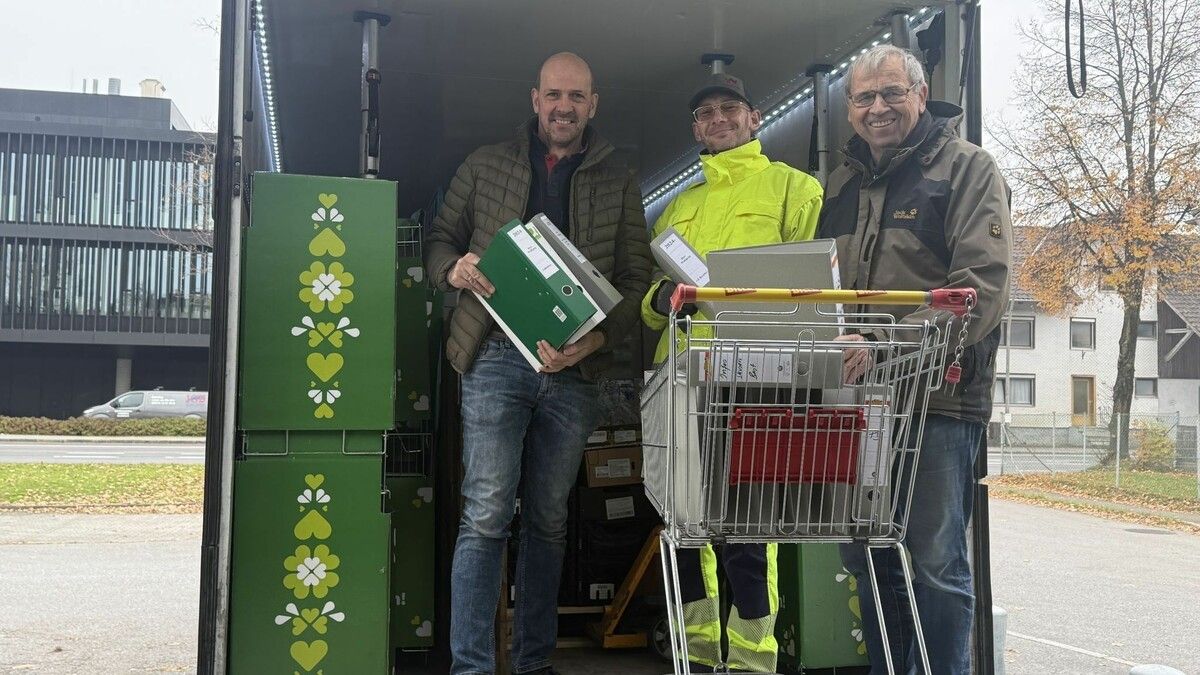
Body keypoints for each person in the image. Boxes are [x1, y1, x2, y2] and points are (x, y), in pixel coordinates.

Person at [424, 52, 652, 675]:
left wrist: (596, 344)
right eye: (554, 94)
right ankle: (471, 666)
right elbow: (439, 240)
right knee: (487, 514)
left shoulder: (619, 179)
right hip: (495, 357)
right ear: (533, 98)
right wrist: (453, 269)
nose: (564, 107)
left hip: (574, 370)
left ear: (593, 104)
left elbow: (637, 280)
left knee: (549, 520)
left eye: (576, 96)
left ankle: (533, 663)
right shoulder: (485, 164)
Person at [817, 44, 1012, 674]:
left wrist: (880, 346)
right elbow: (822, 293)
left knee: (934, 563)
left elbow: (977, 292)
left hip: (939, 403)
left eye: (892, 93)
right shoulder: (842, 185)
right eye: (864, 97)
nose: (878, 108)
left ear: (921, 96)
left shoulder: (968, 170)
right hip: (861, 406)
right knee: (868, 556)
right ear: (850, 110)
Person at [641, 72, 824, 673]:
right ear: (695, 129)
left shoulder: (794, 189)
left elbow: (810, 289)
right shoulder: (678, 205)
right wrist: (665, 297)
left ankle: (751, 659)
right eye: (704, 114)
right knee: (685, 524)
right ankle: (695, 654)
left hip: (755, 374)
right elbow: (651, 303)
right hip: (681, 377)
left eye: (729, 109)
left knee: (749, 526)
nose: (716, 120)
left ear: (754, 119)